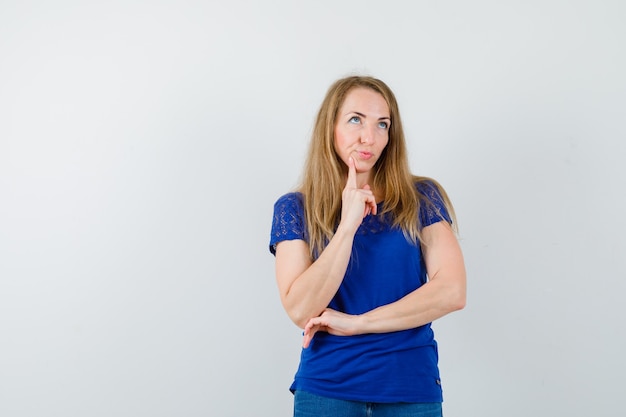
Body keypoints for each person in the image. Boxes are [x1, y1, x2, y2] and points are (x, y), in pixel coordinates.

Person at [269, 75, 466, 417]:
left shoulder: (421, 199)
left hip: (410, 389)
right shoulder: (294, 208)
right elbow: (301, 309)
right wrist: (347, 225)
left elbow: (452, 291)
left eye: (382, 124)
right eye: (355, 119)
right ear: (330, 127)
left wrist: (358, 323)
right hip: (327, 390)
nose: (369, 137)